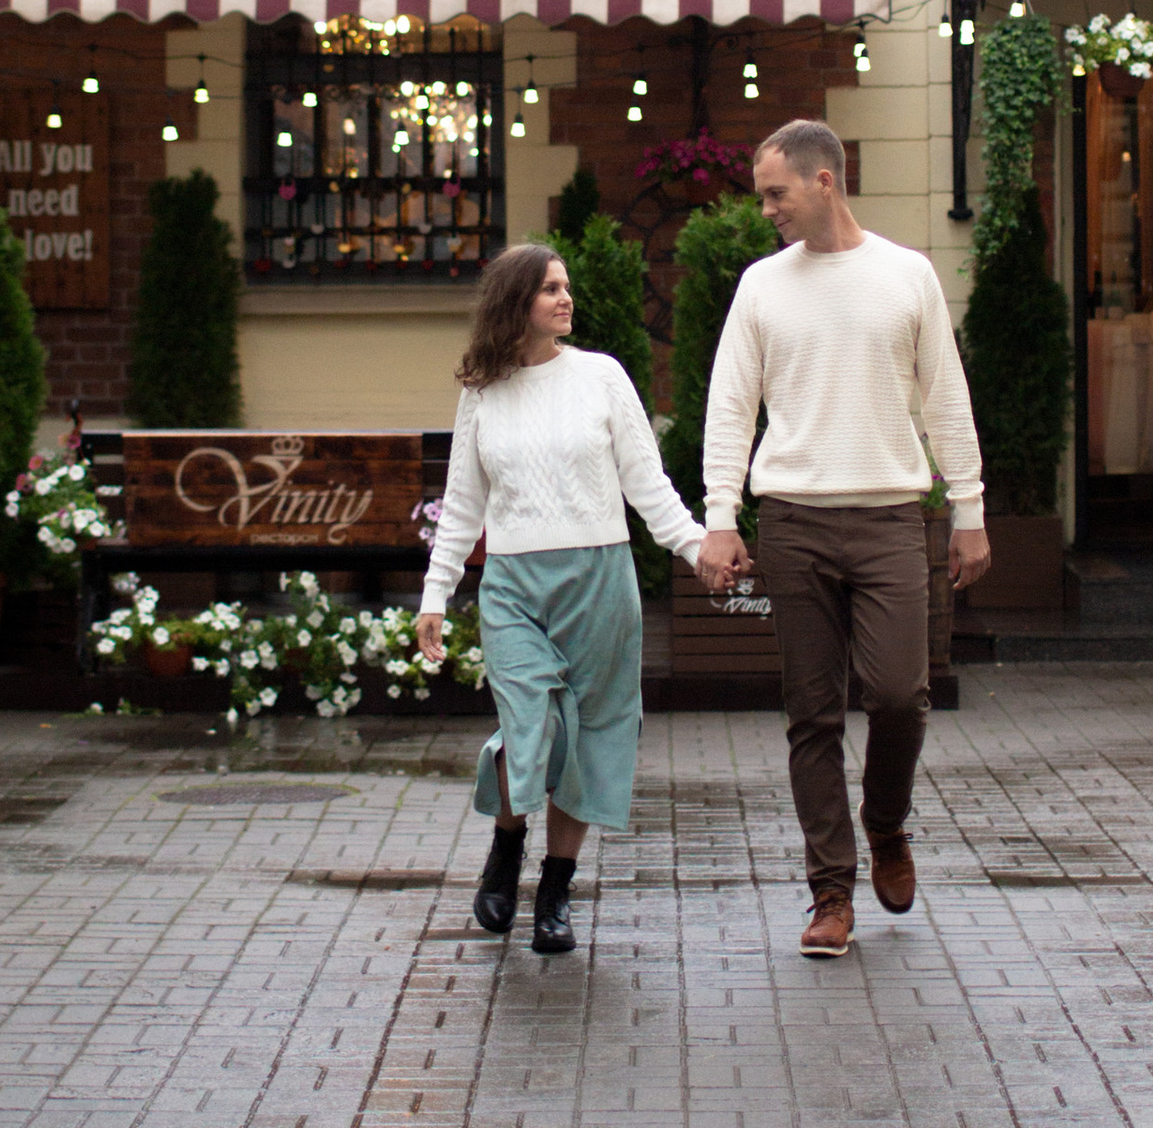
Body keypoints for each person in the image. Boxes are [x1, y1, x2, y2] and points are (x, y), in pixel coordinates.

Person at [697, 119, 989, 959]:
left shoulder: (907, 275)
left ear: (824, 181)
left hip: (892, 517)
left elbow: (946, 397)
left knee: (899, 695)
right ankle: (831, 893)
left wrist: (968, 508)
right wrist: (721, 517)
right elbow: (730, 406)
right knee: (812, 714)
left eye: (776, 193)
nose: (766, 210)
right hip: (793, 521)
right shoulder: (762, 286)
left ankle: (885, 821)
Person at [418, 241, 706, 954]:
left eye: (566, 286)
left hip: (601, 580)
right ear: (516, 301)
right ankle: (506, 847)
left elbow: (647, 482)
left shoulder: (602, 377)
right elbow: (462, 504)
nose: (565, 298)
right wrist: (435, 595)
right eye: (550, 288)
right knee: (532, 725)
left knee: (593, 732)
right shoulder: (482, 392)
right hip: (513, 585)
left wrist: (697, 548)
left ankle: (555, 888)